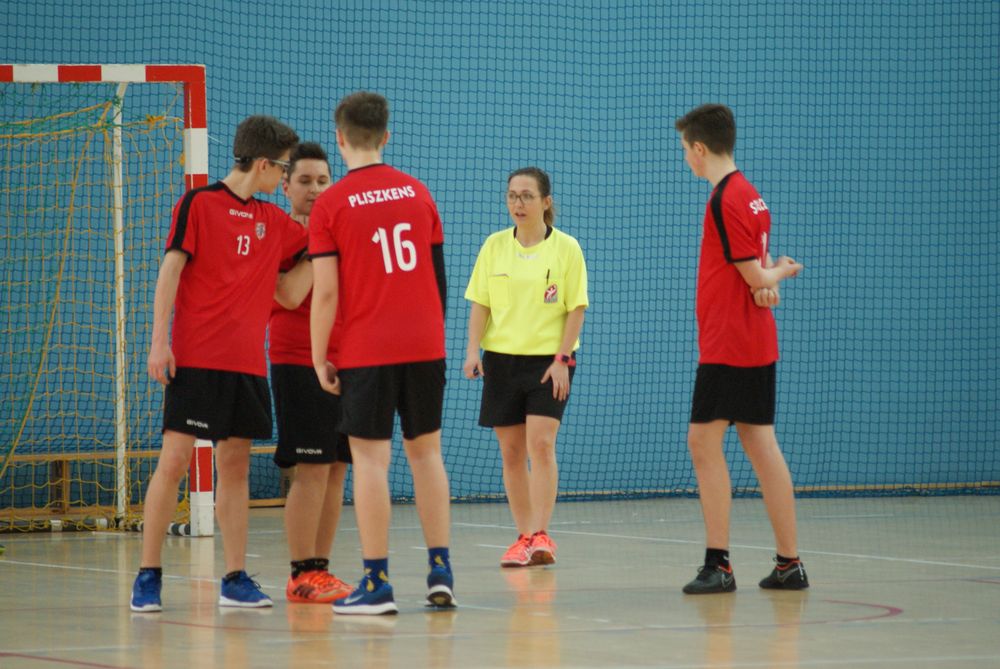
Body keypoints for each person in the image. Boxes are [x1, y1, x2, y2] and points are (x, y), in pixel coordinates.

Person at [130, 115, 305, 612]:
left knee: (235, 470)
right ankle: (148, 575)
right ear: (264, 164)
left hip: (247, 367)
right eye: (284, 168)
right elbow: (170, 269)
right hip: (196, 360)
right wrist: (158, 342)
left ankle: (234, 578)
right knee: (174, 463)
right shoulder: (199, 203)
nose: (286, 178)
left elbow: (312, 256)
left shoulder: (274, 221)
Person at [309, 91, 454, 615]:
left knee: (371, 461)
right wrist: (430, 336)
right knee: (427, 454)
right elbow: (438, 279)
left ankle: (376, 582)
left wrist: (318, 356)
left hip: (367, 348)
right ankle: (441, 572)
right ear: (386, 136)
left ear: (340, 138)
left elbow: (326, 292)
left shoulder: (330, 204)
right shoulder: (419, 193)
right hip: (425, 344)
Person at [674, 103, 808, 594]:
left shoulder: (725, 199)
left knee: (702, 442)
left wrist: (778, 274)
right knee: (760, 444)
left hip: (729, 343)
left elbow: (757, 273)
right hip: (754, 339)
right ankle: (789, 564)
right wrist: (769, 282)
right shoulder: (752, 197)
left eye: (685, 149)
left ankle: (719, 565)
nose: (685, 158)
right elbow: (758, 276)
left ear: (700, 148)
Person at [463, 167, 589, 568]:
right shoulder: (494, 246)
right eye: (513, 196)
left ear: (546, 202)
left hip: (549, 363)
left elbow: (576, 308)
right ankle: (523, 536)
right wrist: (472, 351)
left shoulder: (567, 248)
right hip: (501, 361)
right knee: (512, 451)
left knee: (542, 444)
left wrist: (562, 359)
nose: (518, 203)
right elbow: (480, 303)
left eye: (527, 196)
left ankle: (541, 535)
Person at [268, 141, 354, 604]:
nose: (315, 189)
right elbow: (289, 294)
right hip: (299, 360)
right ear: (285, 186)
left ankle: (320, 569)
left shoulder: (339, 232)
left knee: (337, 468)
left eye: (323, 180)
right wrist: (320, 245)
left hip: (345, 360)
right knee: (313, 469)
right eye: (304, 181)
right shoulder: (279, 233)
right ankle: (301, 572)